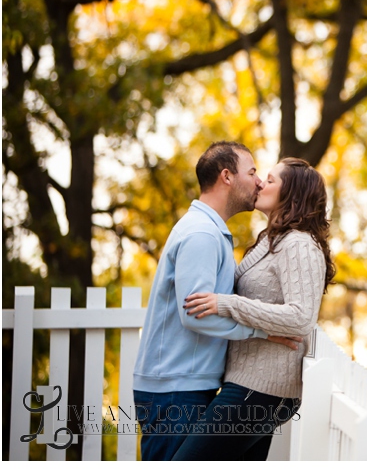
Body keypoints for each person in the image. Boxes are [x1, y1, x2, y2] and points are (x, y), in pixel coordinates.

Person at [132, 141, 301, 461]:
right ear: (227, 176)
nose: (258, 182)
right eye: (251, 172)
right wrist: (262, 332)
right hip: (174, 392)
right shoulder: (202, 235)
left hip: (181, 387)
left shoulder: (211, 231)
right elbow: (196, 315)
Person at [172, 157, 335, 461]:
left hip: (262, 390)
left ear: (293, 195)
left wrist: (228, 303)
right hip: (248, 384)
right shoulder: (271, 240)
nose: (260, 182)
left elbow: (301, 318)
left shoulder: (299, 244)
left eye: (271, 180)